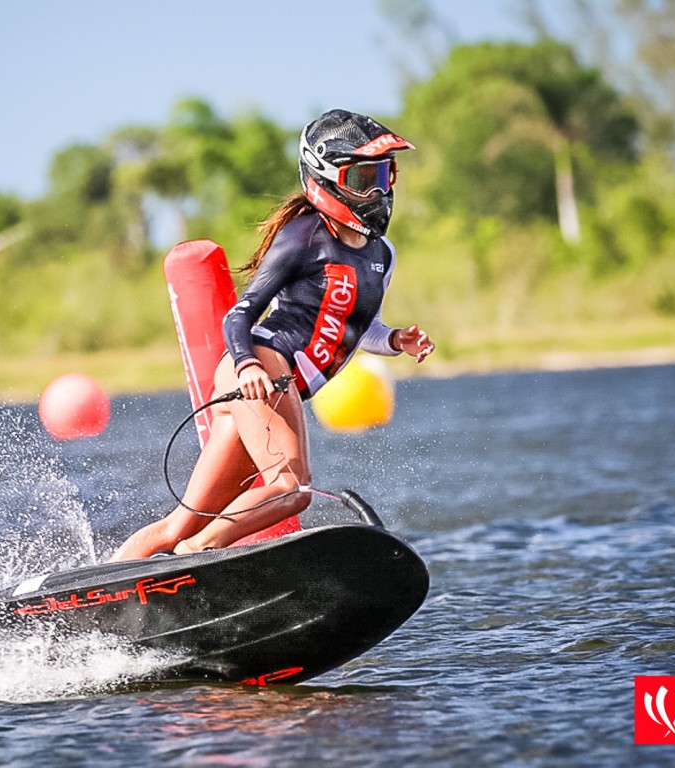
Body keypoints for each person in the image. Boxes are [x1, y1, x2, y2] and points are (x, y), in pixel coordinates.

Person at [110, 109, 435, 561]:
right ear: (327, 179)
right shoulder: (303, 236)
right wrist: (247, 366)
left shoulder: (382, 254)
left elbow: (355, 329)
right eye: (364, 178)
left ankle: (102, 590)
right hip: (262, 366)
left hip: (268, 386)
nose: (378, 190)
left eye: (385, 174)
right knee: (291, 488)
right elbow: (239, 315)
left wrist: (396, 339)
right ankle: (197, 558)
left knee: (183, 521)